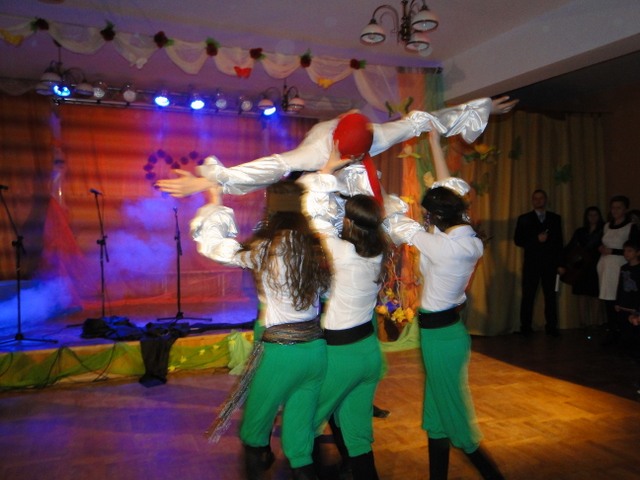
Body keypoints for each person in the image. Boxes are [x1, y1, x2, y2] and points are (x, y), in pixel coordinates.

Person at [191, 179, 331, 480]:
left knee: (254, 434)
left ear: (272, 211)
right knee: (300, 445)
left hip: (280, 355)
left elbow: (217, 249)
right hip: (316, 353)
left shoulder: (265, 249)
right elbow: (329, 291)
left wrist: (215, 203)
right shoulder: (316, 248)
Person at [385, 130, 504, 479]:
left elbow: (398, 225)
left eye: (427, 214)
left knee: (455, 419)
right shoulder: (460, 235)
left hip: (440, 339)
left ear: (436, 216)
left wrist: (378, 196)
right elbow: (445, 188)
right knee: (437, 416)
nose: (424, 219)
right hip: (447, 333)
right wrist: (435, 140)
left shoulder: (442, 246)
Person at [155, 97, 518, 199]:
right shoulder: (314, 151)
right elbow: (268, 166)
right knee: (308, 188)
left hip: (347, 154)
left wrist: (480, 107)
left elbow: (424, 120)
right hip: (317, 164)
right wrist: (207, 181)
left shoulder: (378, 135)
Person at [298, 131, 389, 480]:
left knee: (303, 423)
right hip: (368, 352)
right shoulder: (377, 251)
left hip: (343, 354)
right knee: (357, 436)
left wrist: (328, 168)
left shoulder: (344, 253)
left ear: (348, 222)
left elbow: (312, 213)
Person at [513, 189, 564, 336]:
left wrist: (561, 263)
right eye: (535, 198)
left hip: (550, 264)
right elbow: (518, 240)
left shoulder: (555, 218)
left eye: (541, 198)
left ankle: (552, 327)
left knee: (551, 296)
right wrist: (536, 239)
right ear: (532, 201)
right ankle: (525, 327)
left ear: (545, 200)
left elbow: (559, 242)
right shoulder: (524, 218)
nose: (538, 201)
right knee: (528, 296)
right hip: (532, 264)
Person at [597, 195, 640, 345]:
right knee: (608, 300)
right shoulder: (607, 225)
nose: (615, 210)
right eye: (613, 207)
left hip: (620, 265)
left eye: (618, 207)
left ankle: (623, 332)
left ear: (625, 209)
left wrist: (613, 251)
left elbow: (633, 248)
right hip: (606, 266)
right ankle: (612, 331)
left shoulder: (630, 227)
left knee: (619, 298)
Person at [559, 206, 604, 328]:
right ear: (586, 217)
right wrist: (560, 261)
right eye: (590, 215)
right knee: (582, 295)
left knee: (595, 295)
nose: (592, 217)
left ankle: (595, 323)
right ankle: (582, 323)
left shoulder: (604, 230)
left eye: (595, 215)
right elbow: (570, 247)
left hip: (596, 265)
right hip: (581, 266)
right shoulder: (580, 231)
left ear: (599, 216)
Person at [614, 240, 640, 357]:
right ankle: (626, 350)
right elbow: (620, 286)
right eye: (625, 251)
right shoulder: (624, 268)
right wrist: (617, 302)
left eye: (630, 251)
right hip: (624, 303)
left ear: (637, 253)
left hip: (635, 305)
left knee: (635, 330)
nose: (626, 253)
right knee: (624, 329)